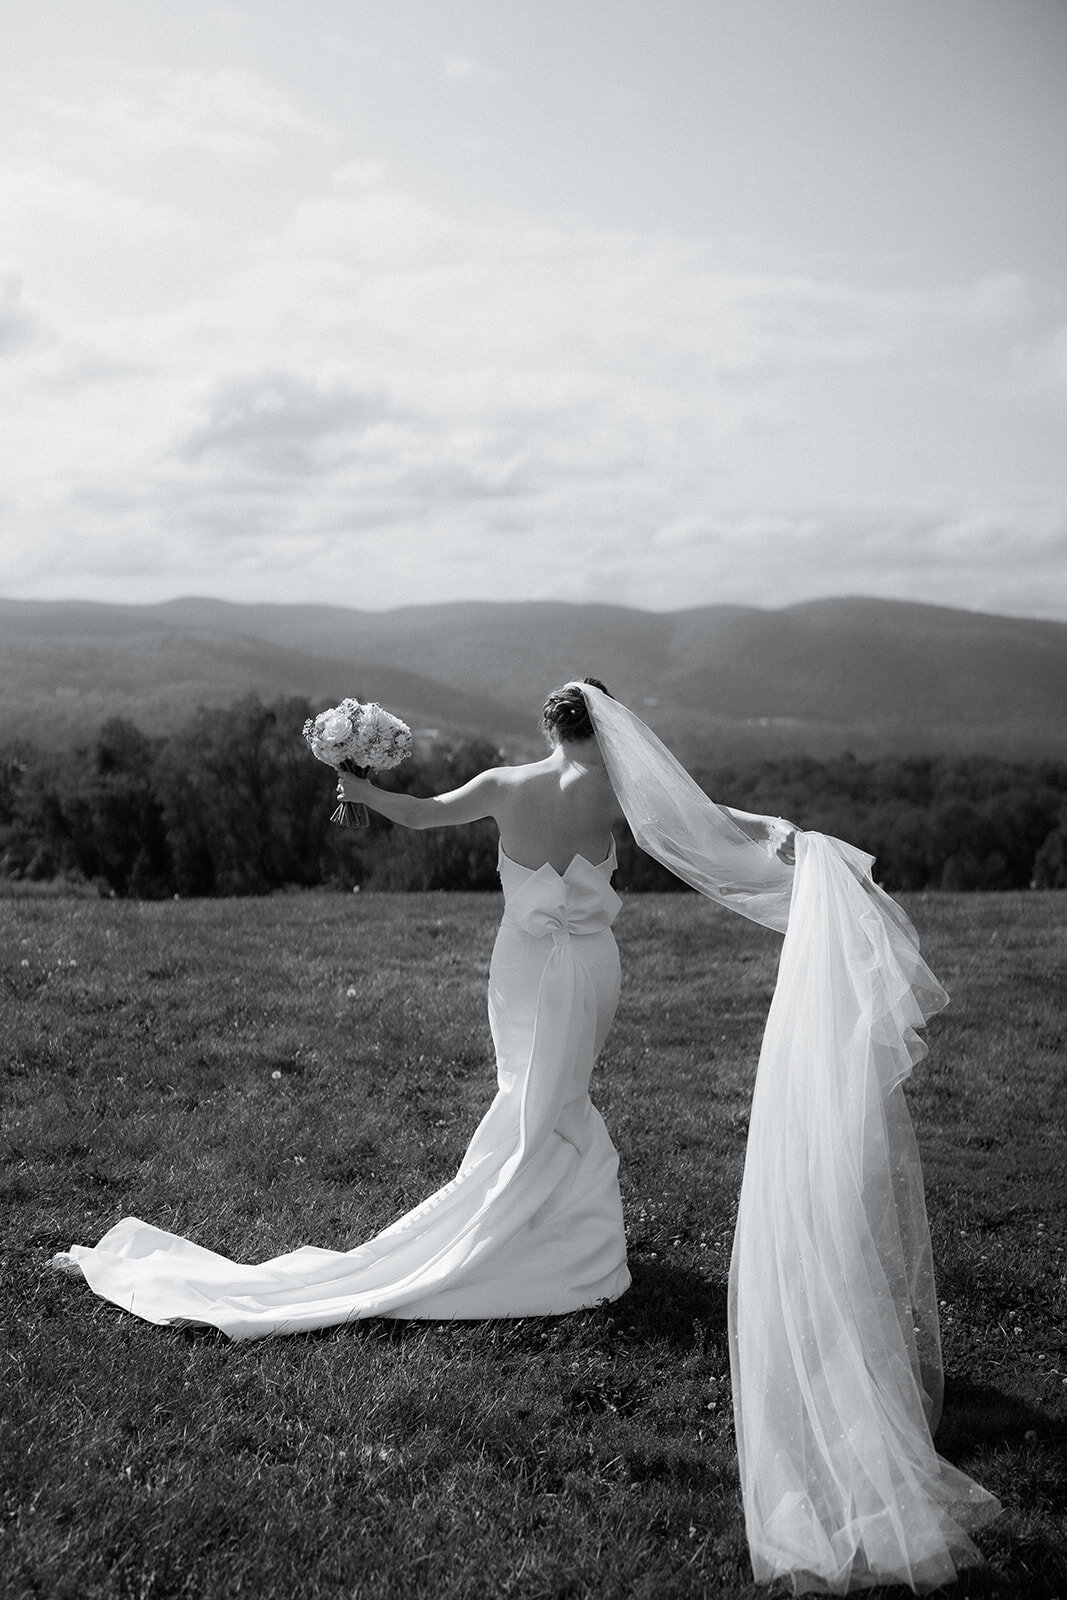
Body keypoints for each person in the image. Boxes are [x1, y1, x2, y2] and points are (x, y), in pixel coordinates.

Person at [52, 676, 999, 1593]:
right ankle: (560, 1234)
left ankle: (551, 1227)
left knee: (533, 1099)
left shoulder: (506, 785)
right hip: (589, 968)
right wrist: (790, 839)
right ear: (607, 729)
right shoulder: (621, 787)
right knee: (557, 1100)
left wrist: (359, 787)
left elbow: (420, 817)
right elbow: (713, 828)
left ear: (550, 727)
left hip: (519, 966)